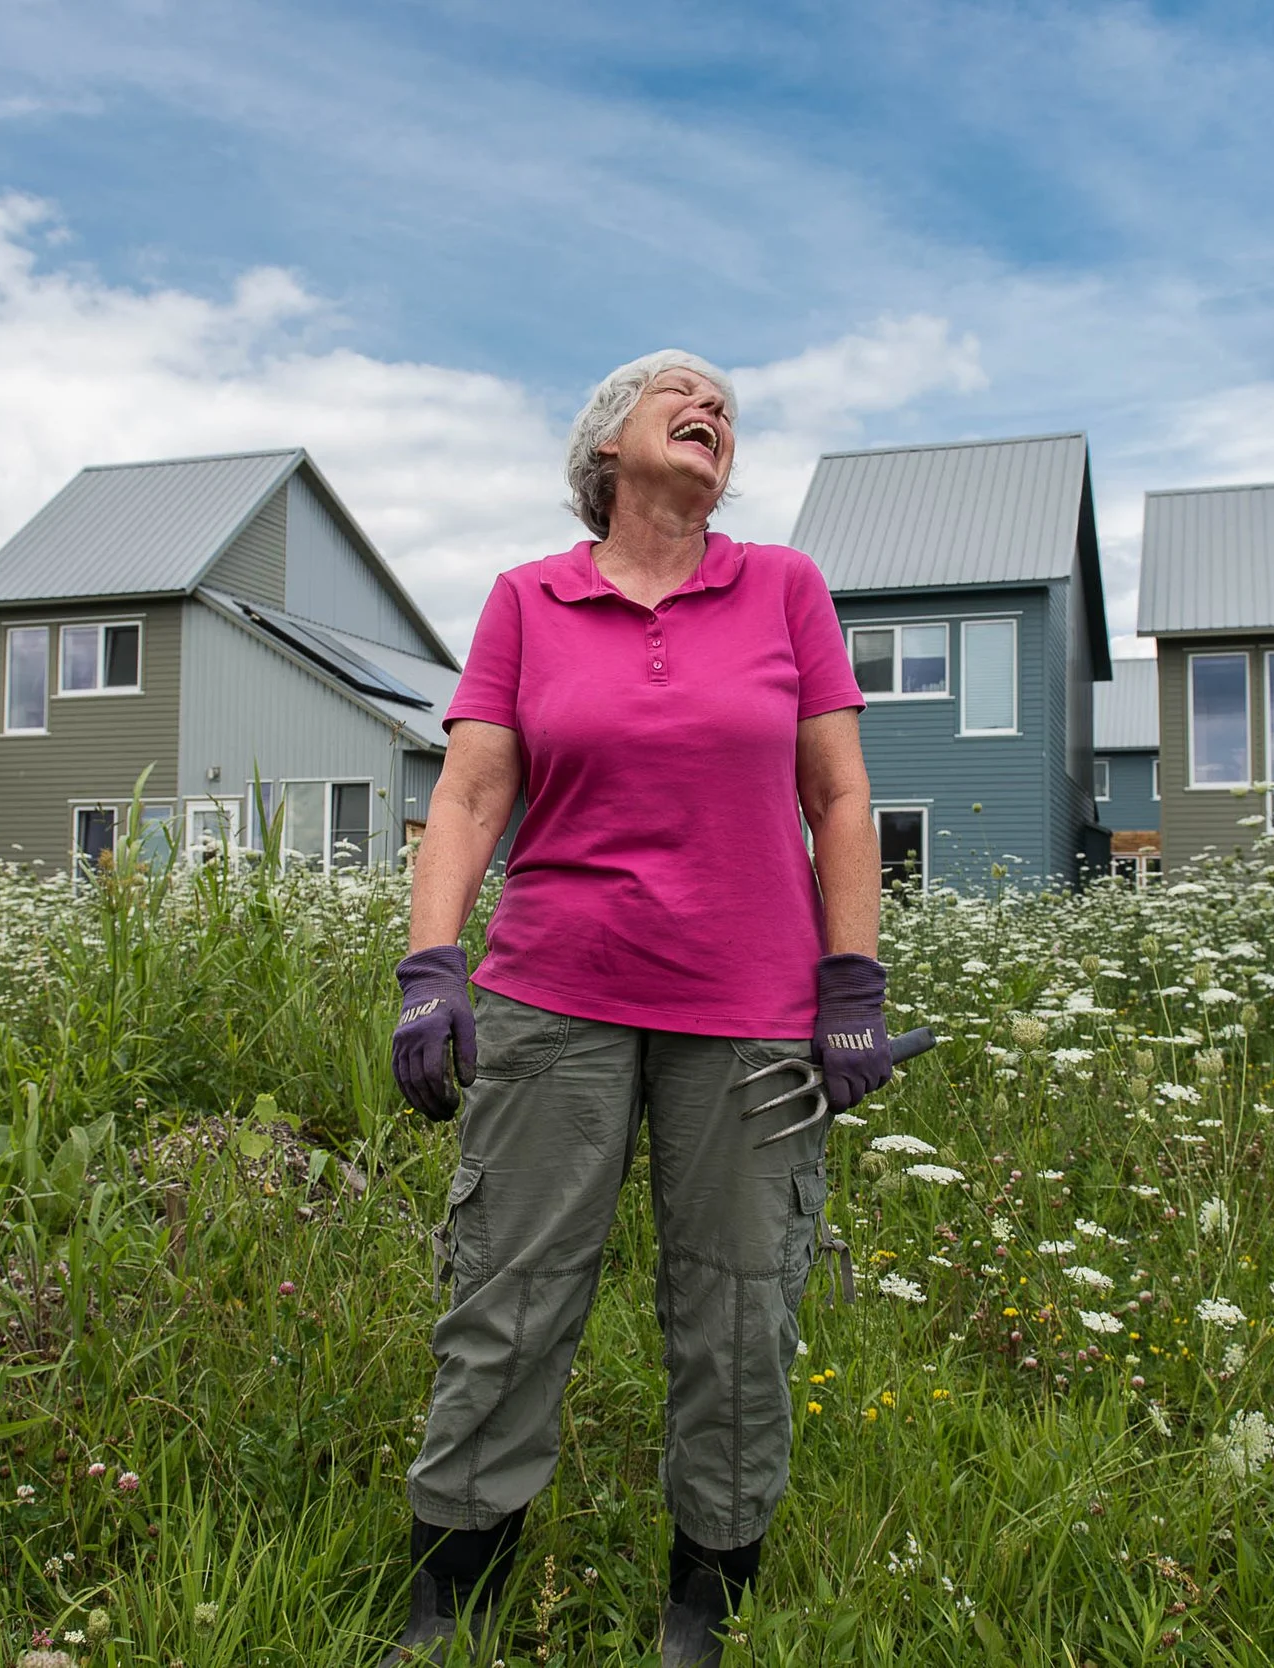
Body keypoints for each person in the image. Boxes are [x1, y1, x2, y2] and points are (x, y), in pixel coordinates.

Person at [379, 350, 892, 1667]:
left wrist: (851, 986)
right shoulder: (526, 601)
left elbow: (838, 797)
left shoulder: (782, 589)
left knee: (739, 1310)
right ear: (606, 448)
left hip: (753, 1012)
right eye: (678, 391)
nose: (711, 404)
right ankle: (449, 1605)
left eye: (725, 401)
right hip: (554, 998)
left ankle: (701, 1613)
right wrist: (432, 968)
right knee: (509, 1295)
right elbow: (472, 798)